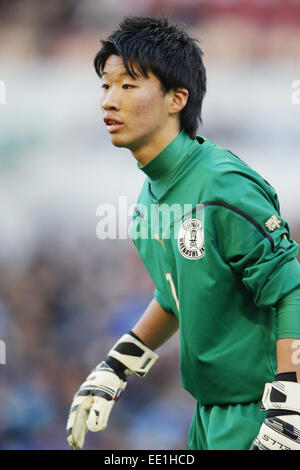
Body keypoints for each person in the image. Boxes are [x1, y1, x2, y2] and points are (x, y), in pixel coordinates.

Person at [66, 16, 300, 450]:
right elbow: (177, 297)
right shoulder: (146, 204)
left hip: (259, 412)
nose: (109, 101)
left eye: (128, 85)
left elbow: (292, 289)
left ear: (177, 98)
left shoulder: (221, 185)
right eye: (105, 86)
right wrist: (114, 367)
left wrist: (290, 407)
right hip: (208, 414)